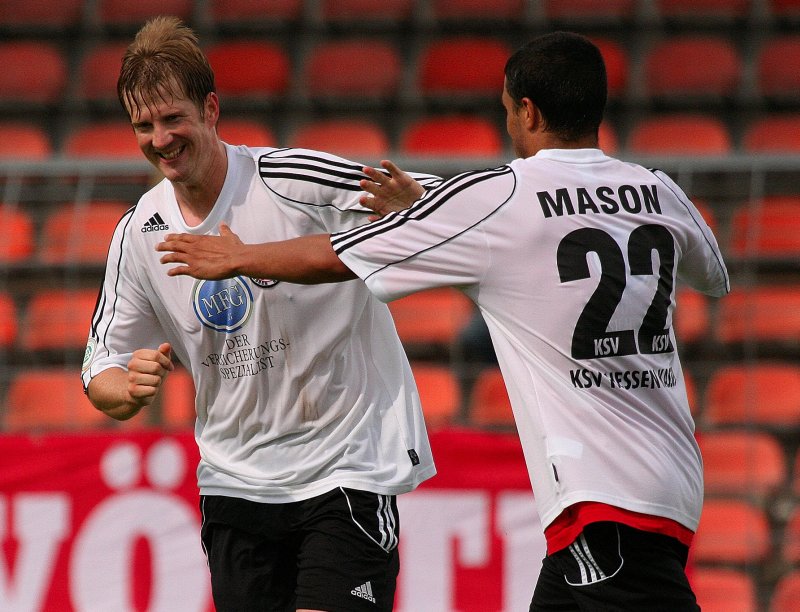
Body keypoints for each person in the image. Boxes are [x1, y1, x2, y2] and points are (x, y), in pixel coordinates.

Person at [157, 31, 730, 610]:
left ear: (527, 111)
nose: (508, 124)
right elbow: (713, 275)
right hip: (670, 475)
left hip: (603, 489)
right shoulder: (657, 189)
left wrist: (240, 256)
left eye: (507, 110)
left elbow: (339, 253)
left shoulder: (504, 195)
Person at [80, 16, 441, 612]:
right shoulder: (138, 232)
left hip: (344, 466)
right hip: (234, 482)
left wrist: (414, 205)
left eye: (173, 119)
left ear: (211, 110)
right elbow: (100, 367)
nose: (160, 139)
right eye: (143, 125)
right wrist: (125, 389)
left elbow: (425, 205)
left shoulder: (294, 180)